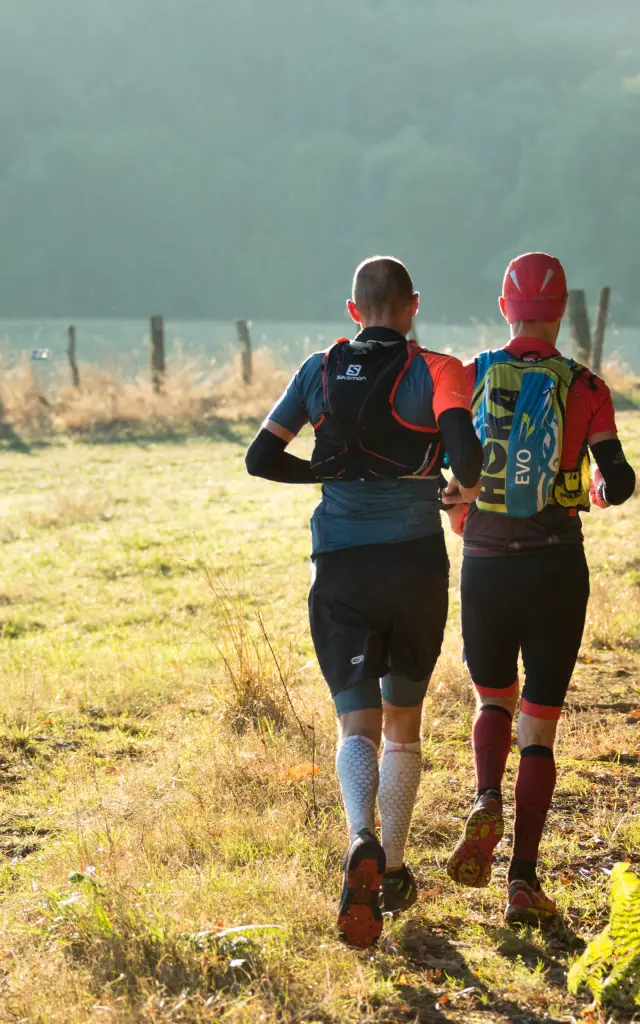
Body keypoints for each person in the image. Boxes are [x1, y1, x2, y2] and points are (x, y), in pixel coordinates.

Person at [246, 256, 483, 948]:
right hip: (413, 564)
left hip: (340, 566)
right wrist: (458, 490)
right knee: (404, 724)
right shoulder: (440, 369)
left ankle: (360, 840)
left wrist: (320, 471)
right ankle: (398, 865)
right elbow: (466, 458)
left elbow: (261, 458)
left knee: (357, 724)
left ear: (354, 310)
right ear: (413, 307)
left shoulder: (318, 370)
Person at [444, 251, 636, 925]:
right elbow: (618, 478)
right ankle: (523, 879)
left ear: (505, 307)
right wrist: (602, 489)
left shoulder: (470, 376)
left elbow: (444, 464)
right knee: (541, 727)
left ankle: (486, 796)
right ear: (560, 313)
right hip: (558, 566)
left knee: (493, 698)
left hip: (487, 562)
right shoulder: (585, 385)